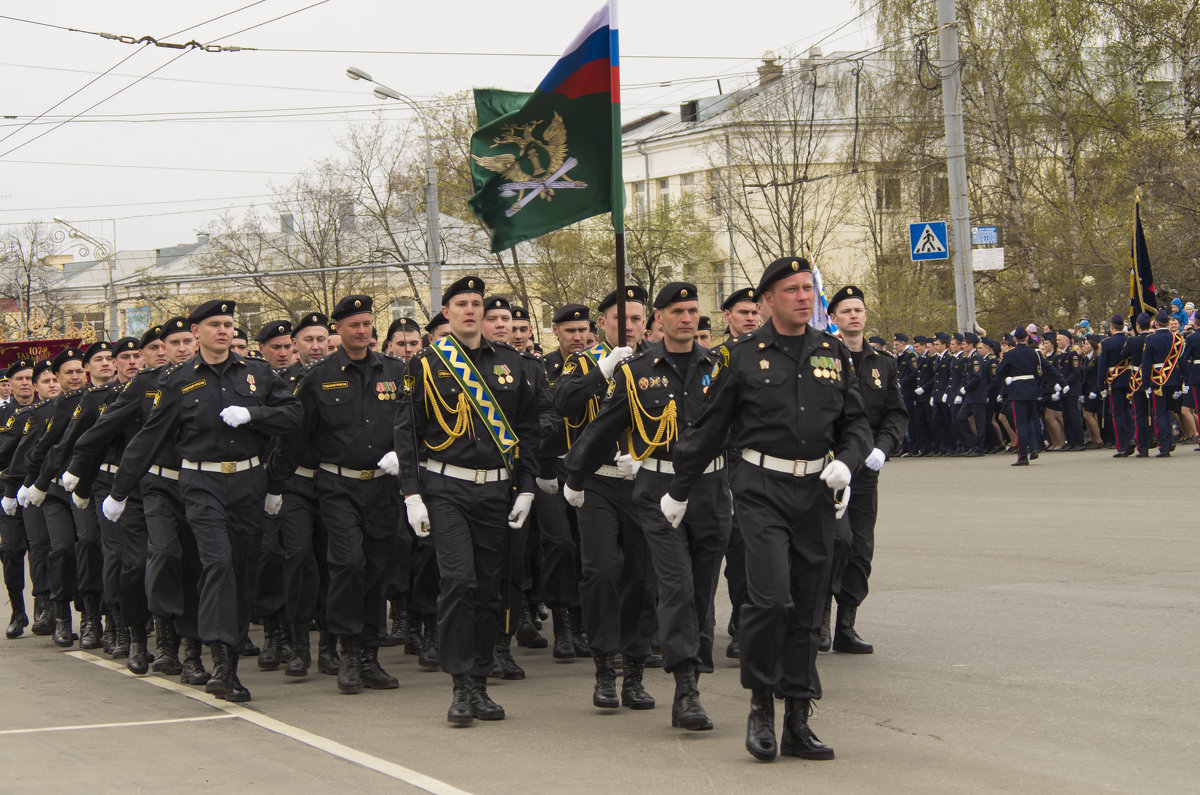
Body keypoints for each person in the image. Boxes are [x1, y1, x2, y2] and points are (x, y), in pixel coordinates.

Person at [663, 256, 871, 763]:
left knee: (805, 604)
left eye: (808, 288)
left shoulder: (832, 353)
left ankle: (798, 718)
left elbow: (857, 423)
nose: (804, 297)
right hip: (760, 489)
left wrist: (847, 460)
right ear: (768, 300)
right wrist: (680, 488)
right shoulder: (742, 356)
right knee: (772, 599)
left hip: (817, 491)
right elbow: (711, 426)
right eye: (793, 289)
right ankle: (761, 704)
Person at [102, 300, 302, 703]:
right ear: (197, 332)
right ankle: (222, 663)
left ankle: (228, 653)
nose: (224, 330)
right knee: (218, 563)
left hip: (248, 480)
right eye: (215, 324)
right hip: (200, 482)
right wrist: (120, 490)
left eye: (229, 324)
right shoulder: (177, 380)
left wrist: (254, 415)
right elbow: (150, 437)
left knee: (245, 569)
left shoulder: (258, 373)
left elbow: (294, 415)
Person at [566, 282, 729, 728]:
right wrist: (575, 474)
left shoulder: (719, 368)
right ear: (660, 318)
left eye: (693, 310)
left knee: (696, 591)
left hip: (710, 490)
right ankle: (685, 688)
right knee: (670, 587)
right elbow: (603, 426)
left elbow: (744, 427)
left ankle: (675, 669)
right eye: (677, 310)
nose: (687, 318)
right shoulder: (637, 371)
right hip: (656, 484)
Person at [393, 276, 542, 726]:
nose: (472, 310)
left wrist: (528, 485)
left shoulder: (511, 364)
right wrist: (411, 493)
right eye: (463, 303)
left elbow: (529, 429)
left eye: (478, 303)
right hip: (446, 488)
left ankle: (479, 680)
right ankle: (460, 685)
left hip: (496, 489)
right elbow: (408, 433)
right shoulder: (425, 364)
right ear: (447, 310)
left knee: (489, 586)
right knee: (458, 581)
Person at [555, 286, 659, 712]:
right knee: (600, 571)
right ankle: (603, 667)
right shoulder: (581, 361)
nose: (629, 327)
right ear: (603, 324)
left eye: (636, 319)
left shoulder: (658, 359)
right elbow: (562, 403)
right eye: (620, 320)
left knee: (642, 575)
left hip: (643, 482)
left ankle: (634, 670)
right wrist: (603, 369)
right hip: (597, 481)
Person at [823, 285, 907, 657]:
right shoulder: (824, 358)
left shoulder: (882, 362)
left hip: (866, 467)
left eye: (859, 309)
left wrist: (883, 448)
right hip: (830, 465)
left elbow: (895, 413)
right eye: (846, 311)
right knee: (831, 542)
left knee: (860, 546)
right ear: (834, 318)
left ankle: (846, 625)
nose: (854, 315)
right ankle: (818, 620)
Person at [0, 358, 38, 638]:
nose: (25, 383)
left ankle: (46, 609)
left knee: (43, 552)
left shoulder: (48, 410)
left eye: (29, 378)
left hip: (39, 491)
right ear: (9, 386)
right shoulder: (2, 416)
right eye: (19, 379)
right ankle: (17, 610)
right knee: (12, 552)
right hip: (8, 494)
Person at [995, 327, 1043, 465]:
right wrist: (1061, 381)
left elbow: (999, 372)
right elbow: (1045, 367)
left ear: (1015, 339)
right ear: (1027, 338)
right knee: (1030, 420)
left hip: (1018, 391)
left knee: (1020, 424)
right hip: (1031, 390)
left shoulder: (1010, 354)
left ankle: (1022, 456)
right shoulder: (1034, 352)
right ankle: (1034, 447)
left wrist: (1007, 376)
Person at [1141, 309, 1184, 457]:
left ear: (1157, 323)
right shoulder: (1177, 338)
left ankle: (1165, 445)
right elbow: (1181, 361)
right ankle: (1171, 440)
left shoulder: (1151, 339)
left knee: (1160, 414)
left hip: (1158, 380)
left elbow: (1146, 363)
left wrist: (1145, 382)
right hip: (1173, 379)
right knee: (1169, 411)